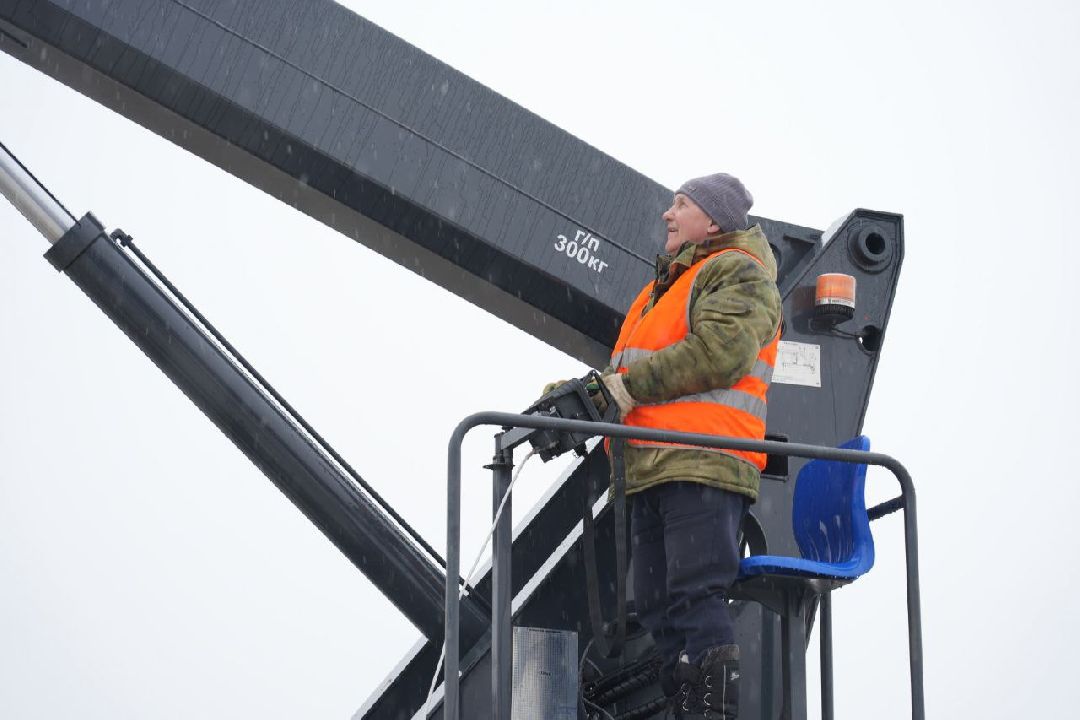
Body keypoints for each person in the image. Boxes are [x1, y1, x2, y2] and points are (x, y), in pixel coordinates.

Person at [597, 173, 782, 719]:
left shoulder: (738, 272)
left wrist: (625, 388)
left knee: (697, 595)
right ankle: (686, 708)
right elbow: (626, 369)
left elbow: (719, 352)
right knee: (657, 607)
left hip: (702, 460)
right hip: (652, 463)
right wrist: (590, 391)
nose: (667, 214)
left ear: (715, 222)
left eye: (681, 204)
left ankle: (712, 713)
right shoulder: (667, 286)